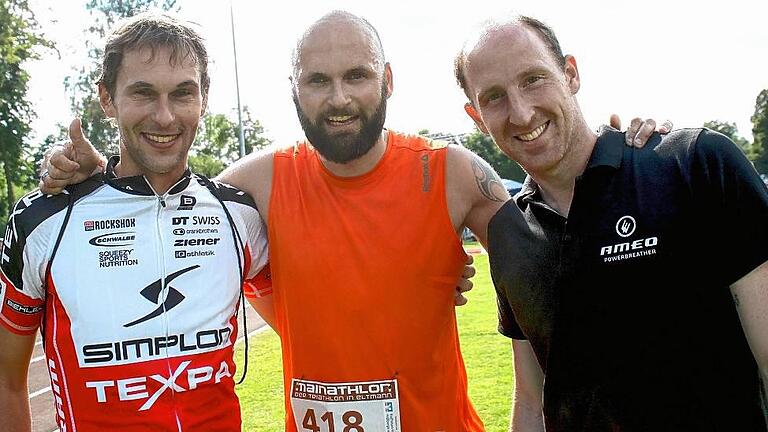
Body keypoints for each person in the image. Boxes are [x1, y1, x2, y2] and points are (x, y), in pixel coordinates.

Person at [39, 10, 662, 431]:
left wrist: (621, 154)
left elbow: (559, 220)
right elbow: (156, 208)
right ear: (294, 91)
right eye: (319, 80)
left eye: (357, 76)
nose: (339, 98)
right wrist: (97, 178)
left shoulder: (452, 174)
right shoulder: (251, 185)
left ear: (385, 80)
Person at [454, 15, 768, 431]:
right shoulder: (509, 234)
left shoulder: (695, 165)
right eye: (494, 97)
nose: (522, 112)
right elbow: (532, 399)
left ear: (570, 74)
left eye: (533, 79)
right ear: (476, 116)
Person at [0, 13, 272, 431]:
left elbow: (308, 325)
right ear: (107, 99)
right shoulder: (44, 221)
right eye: (143, 93)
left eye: (183, 94)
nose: (165, 117)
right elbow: (7, 380)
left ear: (203, 99)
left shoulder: (239, 216)